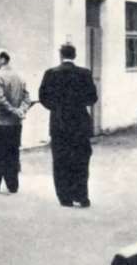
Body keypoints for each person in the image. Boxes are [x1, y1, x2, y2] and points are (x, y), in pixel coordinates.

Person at [39, 42, 98, 207]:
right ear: (75, 55)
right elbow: (92, 98)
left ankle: (65, 197)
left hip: (59, 123)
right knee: (81, 160)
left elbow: (43, 97)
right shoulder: (84, 74)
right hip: (79, 123)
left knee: (60, 161)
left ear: (60, 56)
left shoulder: (50, 74)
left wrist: (57, 108)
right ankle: (81, 196)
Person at [0, 49, 31, 194]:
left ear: (3, 59)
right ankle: (12, 185)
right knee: (12, 153)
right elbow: (27, 98)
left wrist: (13, 110)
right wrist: (21, 111)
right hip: (16, 124)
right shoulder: (20, 76)